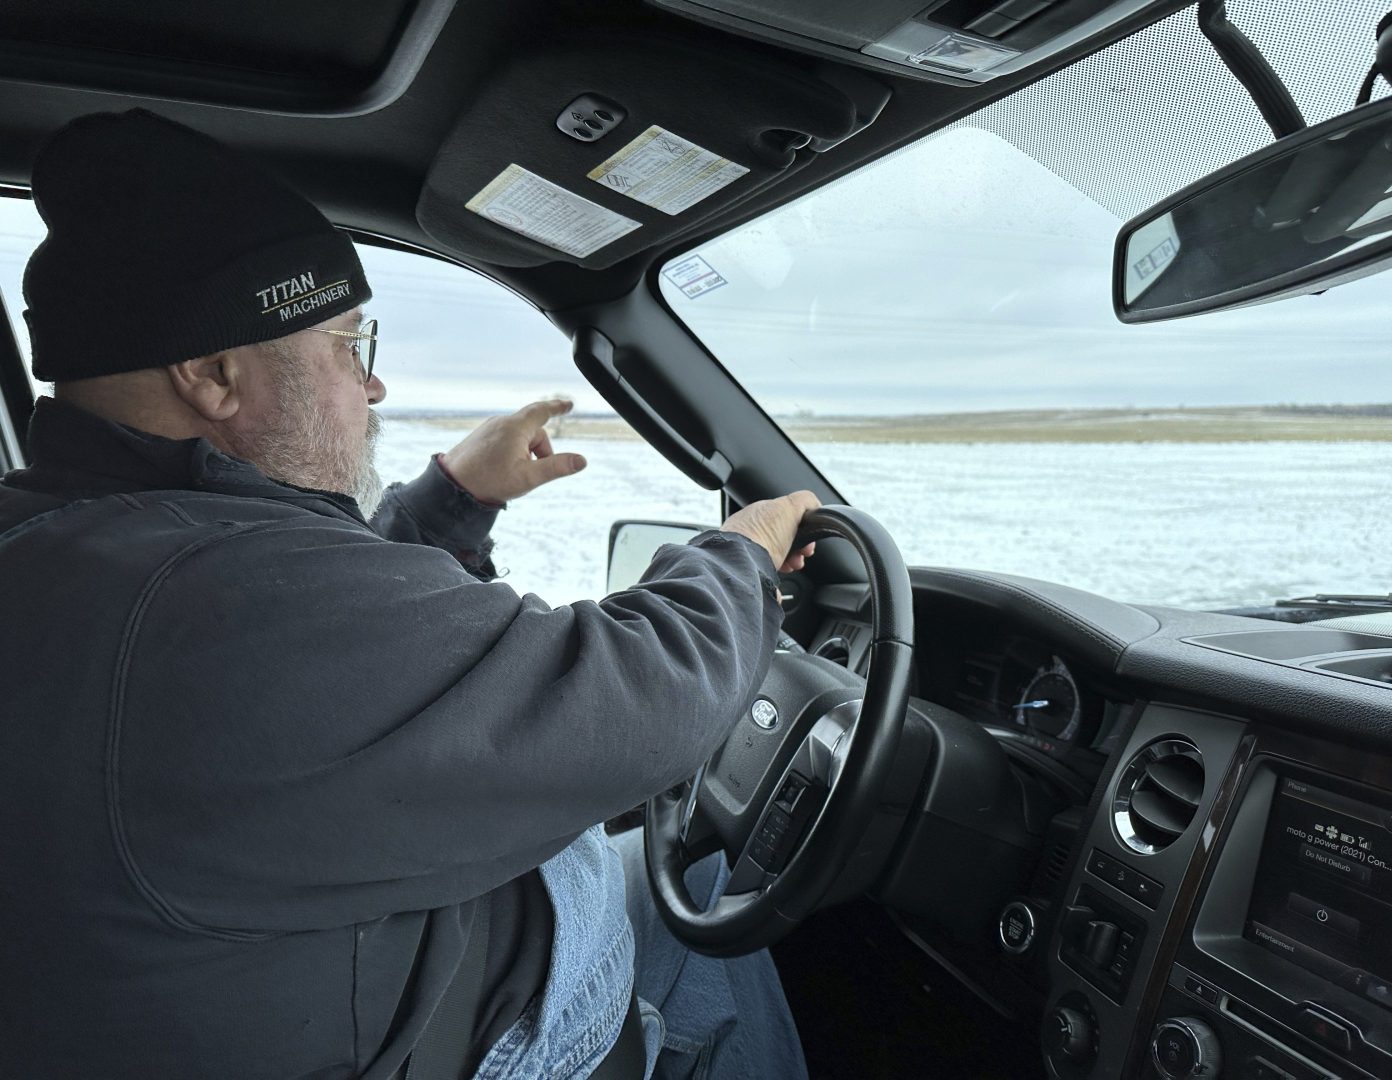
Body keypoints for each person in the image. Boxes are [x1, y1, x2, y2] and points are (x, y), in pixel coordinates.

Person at [0, 109, 818, 1079]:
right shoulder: (204, 594)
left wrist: (453, 501)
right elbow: (641, 700)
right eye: (350, 345)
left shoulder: (95, 546)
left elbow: (319, 671)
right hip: (435, 1040)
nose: (374, 388)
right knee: (707, 908)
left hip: (274, 979)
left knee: (681, 881)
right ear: (216, 375)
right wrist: (739, 556)